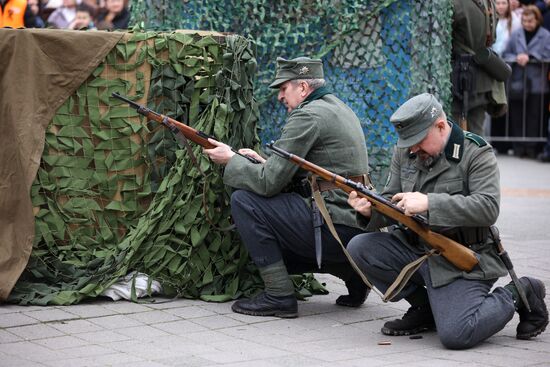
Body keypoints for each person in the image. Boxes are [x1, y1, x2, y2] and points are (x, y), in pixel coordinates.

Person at [346, 93, 548, 350]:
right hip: (418, 249)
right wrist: (368, 210)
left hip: (463, 258)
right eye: (408, 142)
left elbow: (488, 207)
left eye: (418, 141)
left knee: (456, 335)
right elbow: (389, 200)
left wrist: (430, 202)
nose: (412, 149)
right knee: (361, 246)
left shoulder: (476, 152)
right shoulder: (407, 152)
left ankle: (521, 291)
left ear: (441, 127)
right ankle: (425, 308)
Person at [203, 57, 371, 318]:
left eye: (284, 88)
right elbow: (313, 169)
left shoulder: (307, 116)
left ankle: (278, 295)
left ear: (302, 88)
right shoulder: (338, 107)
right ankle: (353, 274)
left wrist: (231, 160)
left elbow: (268, 183)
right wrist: (264, 162)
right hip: (355, 225)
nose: (280, 96)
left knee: (245, 201)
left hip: (334, 228)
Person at [451, 0, 508, 137]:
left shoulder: (457, 4)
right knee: (476, 132)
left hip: (460, 76)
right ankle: (479, 158)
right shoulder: (490, 4)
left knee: (455, 132)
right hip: (482, 76)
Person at [502, 5, 550, 158]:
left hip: (537, 84)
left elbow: (547, 53)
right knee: (517, 114)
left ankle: (532, 147)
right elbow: (506, 53)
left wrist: (531, 56)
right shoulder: (516, 34)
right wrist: (516, 57)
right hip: (518, 83)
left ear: (537, 20)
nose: (527, 24)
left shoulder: (546, 35)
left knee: (534, 115)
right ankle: (518, 146)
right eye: (524, 21)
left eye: (530, 21)